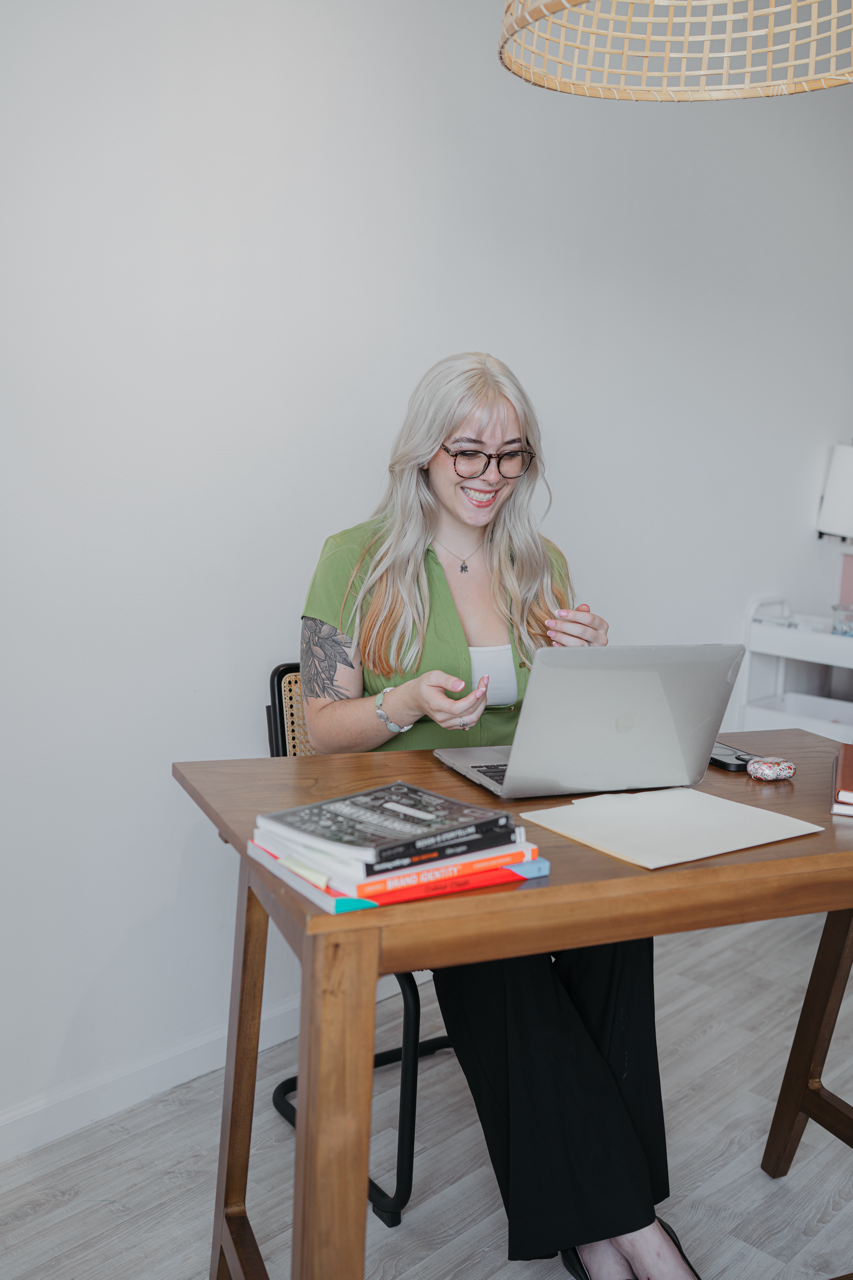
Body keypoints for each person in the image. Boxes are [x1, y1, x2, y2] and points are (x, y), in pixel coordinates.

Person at [299, 353, 701, 1280]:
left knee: (619, 919)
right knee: (500, 946)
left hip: (531, 805)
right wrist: (401, 703)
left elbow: (566, 718)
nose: (489, 476)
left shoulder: (539, 564)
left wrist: (589, 657)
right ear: (423, 451)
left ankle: (599, 1228)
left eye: (511, 455)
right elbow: (320, 726)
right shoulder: (353, 559)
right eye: (468, 453)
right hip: (414, 819)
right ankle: (633, 1233)